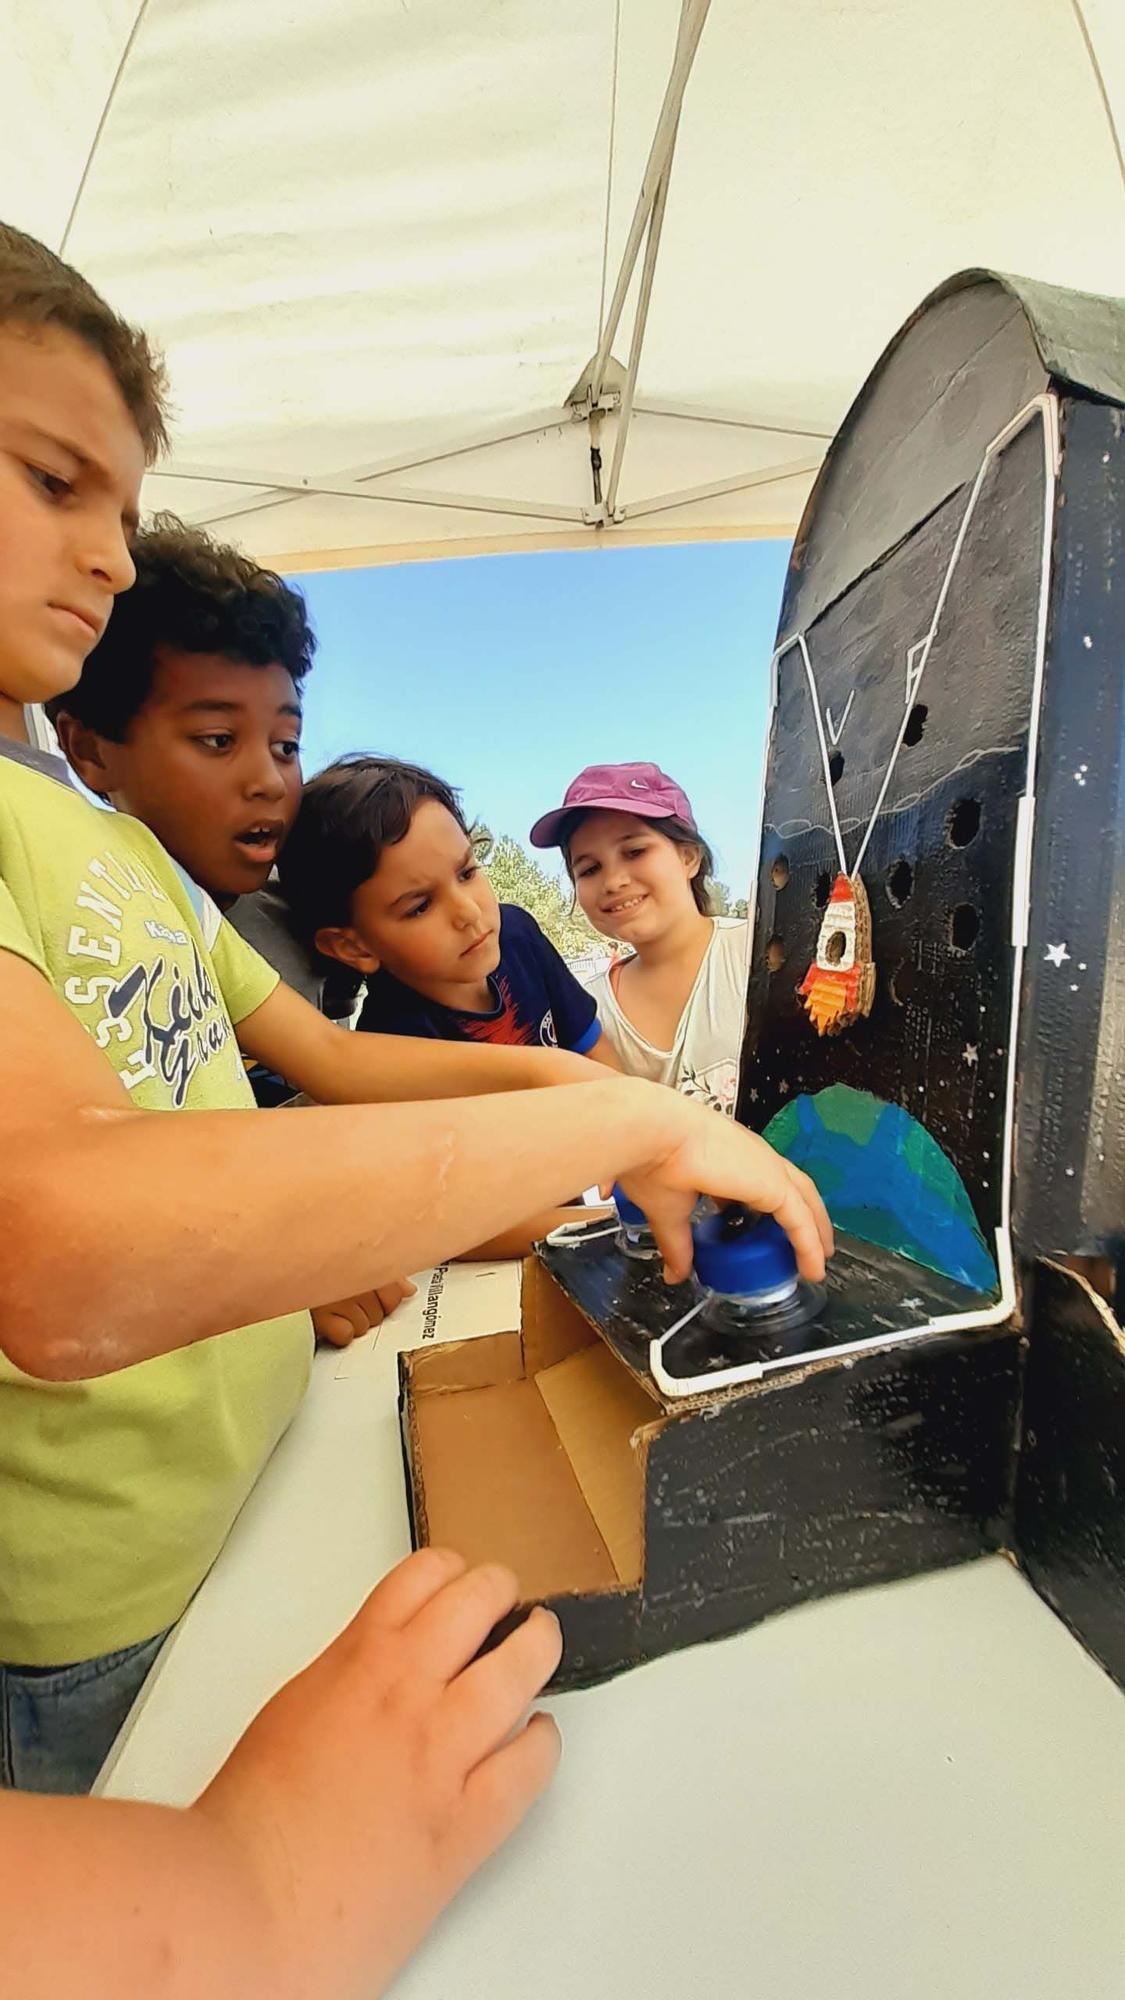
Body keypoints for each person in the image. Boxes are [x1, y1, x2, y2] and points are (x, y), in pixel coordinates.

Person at [0, 217, 829, 1984]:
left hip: (251, 1475)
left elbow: (337, 1066)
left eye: (118, 507)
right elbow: (54, 1238)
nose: (99, 554)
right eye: (49, 477)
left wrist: (598, 1089)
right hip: (96, 1603)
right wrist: (612, 1128)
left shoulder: (100, 848)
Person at [47, 518, 412, 1341]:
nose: (266, 780)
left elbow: (337, 1073)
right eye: (217, 740)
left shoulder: (291, 908)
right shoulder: (84, 904)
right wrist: (275, 1271)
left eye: (286, 743)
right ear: (88, 751)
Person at [530, 761, 750, 1114]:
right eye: (589, 869)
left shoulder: (754, 955)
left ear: (689, 856)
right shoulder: (586, 1012)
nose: (614, 881)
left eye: (634, 852)